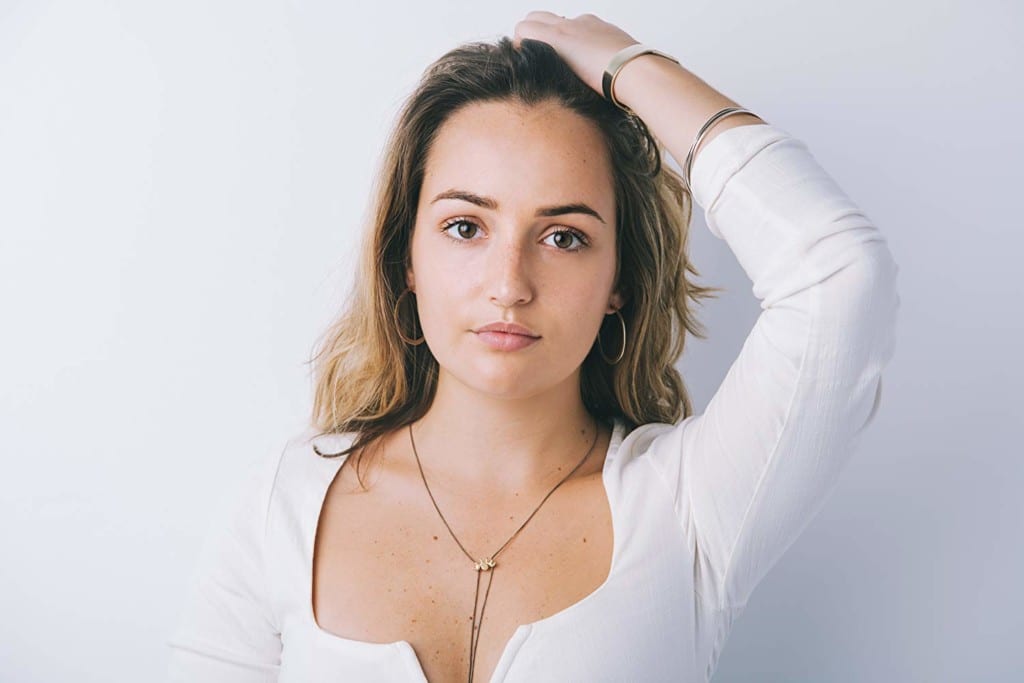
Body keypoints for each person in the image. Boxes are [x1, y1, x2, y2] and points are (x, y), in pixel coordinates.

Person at [166, 11, 900, 683]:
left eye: (564, 236)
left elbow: (839, 277)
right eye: (465, 226)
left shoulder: (689, 508)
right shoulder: (283, 509)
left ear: (620, 279)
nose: (509, 284)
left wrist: (624, 63)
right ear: (406, 256)